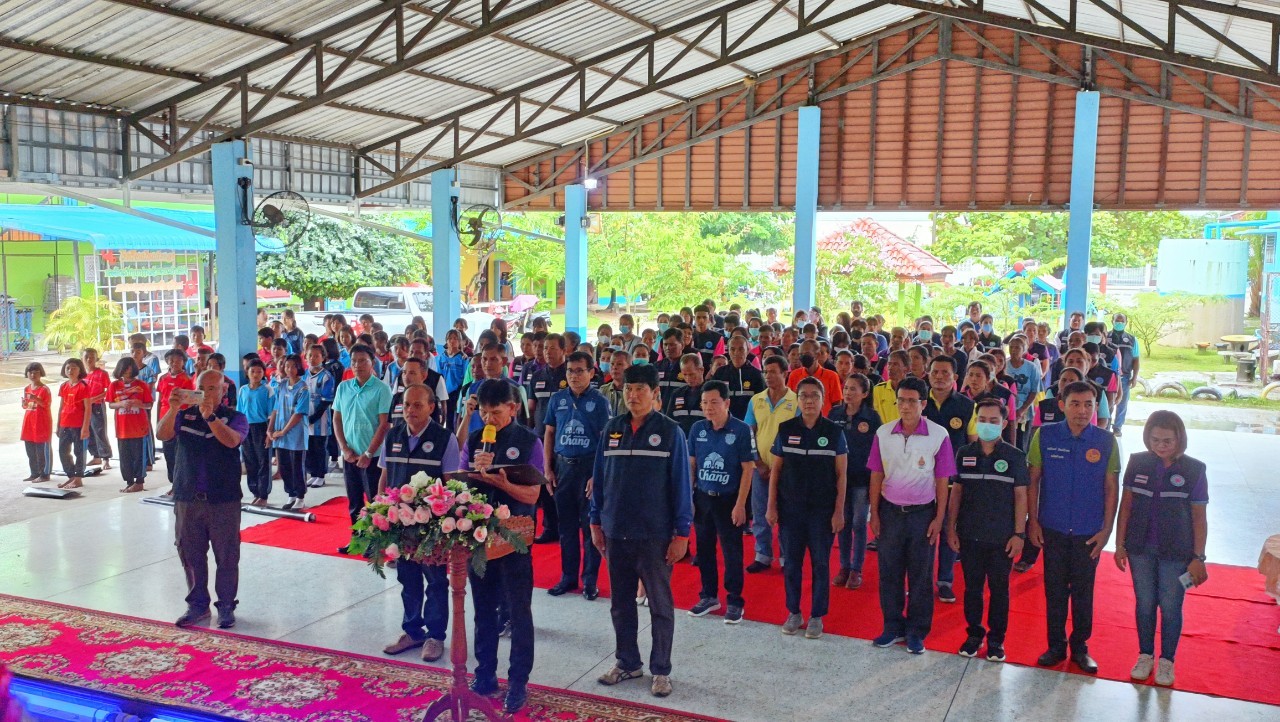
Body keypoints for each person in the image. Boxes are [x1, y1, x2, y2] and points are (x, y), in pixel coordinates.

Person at [591, 364, 692, 699]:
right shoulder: (612, 429)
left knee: (660, 605)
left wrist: (682, 533)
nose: (632, 395)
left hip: (655, 535)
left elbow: (681, 485)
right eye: (628, 389)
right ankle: (628, 662)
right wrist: (595, 521)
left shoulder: (670, 431)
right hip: (615, 530)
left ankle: (661, 669)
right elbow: (600, 478)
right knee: (620, 603)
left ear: (655, 393)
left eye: (640, 390)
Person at [1027, 381, 1120, 674]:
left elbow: (1111, 488)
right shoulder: (1044, 435)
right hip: (1052, 528)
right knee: (1054, 591)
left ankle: (1080, 647)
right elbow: (1032, 481)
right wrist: (1033, 521)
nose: (1082, 411)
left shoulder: (1106, 441)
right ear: (1062, 405)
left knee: (1083, 591)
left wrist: (1107, 531)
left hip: (1089, 533)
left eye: (1088, 404)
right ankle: (1055, 646)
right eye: (1075, 404)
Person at [461, 379, 542, 714]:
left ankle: (518, 681)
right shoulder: (474, 439)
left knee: (519, 611)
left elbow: (533, 495)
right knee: (483, 609)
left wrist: (503, 484)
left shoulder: (529, 441)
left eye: (495, 412)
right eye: (483, 412)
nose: (488, 419)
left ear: (513, 407)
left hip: (515, 537)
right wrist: (473, 473)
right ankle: (485, 674)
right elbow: (460, 484)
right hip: (480, 536)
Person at [1114, 410, 1208, 687]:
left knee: (1170, 605)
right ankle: (1145, 655)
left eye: (1168, 441)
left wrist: (1198, 557)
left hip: (1176, 553)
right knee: (1144, 603)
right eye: (1155, 440)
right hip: (1140, 549)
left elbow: (1199, 518)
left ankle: (1167, 660)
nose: (1161, 446)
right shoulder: (1137, 463)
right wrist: (1119, 544)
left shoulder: (1194, 469)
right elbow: (1126, 506)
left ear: (1180, 439)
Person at [867, 376, 956, 655]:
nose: (905, 406)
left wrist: (939, 518)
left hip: (922, 514)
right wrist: (874, 513)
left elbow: (942, 479)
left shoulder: (939, 435)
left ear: (923, 404)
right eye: (901, 400)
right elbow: (876, 474)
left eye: (911, 401)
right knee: (889, 572)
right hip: (890, 512)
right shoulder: (883, 433)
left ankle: (917, 631)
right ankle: (892, 627)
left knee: (920, 574)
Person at [157, 369, 249, 630]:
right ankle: (197, 605)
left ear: (223, 390)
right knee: (190, 553)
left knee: (227, 555)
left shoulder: (236, 418)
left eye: (212, 389)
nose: (206, 393)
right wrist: (173, 409)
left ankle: (226, 606)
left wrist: (211, 418)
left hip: (223, 499)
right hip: (187, 497)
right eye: (201, 388)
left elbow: (231, 441)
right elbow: (162, 434)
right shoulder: (185, 415)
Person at [379, 383, 460, 664]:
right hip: (400, 522)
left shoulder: (445, 438)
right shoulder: (393, 435)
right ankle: (412, 631)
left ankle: (435, 636)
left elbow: (451, 484)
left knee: (435, 580)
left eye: (417, 405)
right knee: (407, 578)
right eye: (406, 404)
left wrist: (446, 521)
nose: (410, 410)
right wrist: (380, 508)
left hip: (431, 525)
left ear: (431, 407)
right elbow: (386, 475)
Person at [946, 398, 1029, 662]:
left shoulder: (1015, 456)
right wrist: (951, 528)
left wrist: (1019, 534)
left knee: (999, 589)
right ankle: (974, 634)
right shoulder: (964, 453)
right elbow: (957, 492)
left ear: (1003, 424)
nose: (987, 425)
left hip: (1002, 537)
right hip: (969, 534)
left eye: (993, 421)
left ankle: (996, 640)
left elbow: (1021, 496)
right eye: (982, 420)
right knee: (972, 589)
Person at [767, 376, 847, 638]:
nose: (809, 401)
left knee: (821, 564)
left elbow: (841, 475)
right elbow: (776, 472)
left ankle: (816, 615)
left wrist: (839, 511)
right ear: (797, 399)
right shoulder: (786, 428)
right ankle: (794, 611)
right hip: (791, 510)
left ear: (823, 400)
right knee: (791, 563)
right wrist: (771, 506)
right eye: (804, 396)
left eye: (815, 396)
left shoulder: (834, 432)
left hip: (822, 512)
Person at [686, 380, 755, 623]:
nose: (708, 407)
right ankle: (708, 596)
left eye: (714, 402)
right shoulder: (697, 429)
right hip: (703, 498)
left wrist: (741, 504)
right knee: (704, 550)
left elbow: (748, 469)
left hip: (729, 499)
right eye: (704, 403)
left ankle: (735, 601)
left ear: (726, 403)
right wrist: (689, 497)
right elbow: (691, 465)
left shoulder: (741, 430)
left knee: (732, 552)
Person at [544, 352, 610, 600]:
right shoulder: (558, 399)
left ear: (591, 373)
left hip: (588, 468)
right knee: (566, 527)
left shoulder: (599, 402)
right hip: (563, 469)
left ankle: (589, 581)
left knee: (589, 526)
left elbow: (605, 441)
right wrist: (548, 468)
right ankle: (568, 577)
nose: (574, 376)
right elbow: (549, 433)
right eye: (570, 371)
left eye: (580, 370)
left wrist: (597, 475)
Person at [923, 355, 976, 604]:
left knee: (948, 529)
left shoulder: (967, 406)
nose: (939, 376)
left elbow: (973, 443)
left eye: (945, 372)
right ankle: (921, 580)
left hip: (954, 480)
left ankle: (945, 580)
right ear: (928, 374)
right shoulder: (920, 402)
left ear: (955, 377)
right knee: (923, 532)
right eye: (935, 371)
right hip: (921, 478)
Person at [332, 344, 393, 555]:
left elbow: (384, 424)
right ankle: (357, 541)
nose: (358, 365)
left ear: (372, 362)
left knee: (376, 501)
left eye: (362, 361)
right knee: (355, 501)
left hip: (373, 456)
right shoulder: (343, 388)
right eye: (354, 361)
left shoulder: (382, 389)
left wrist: (368, 453)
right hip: (350, 455)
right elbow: (337, 419)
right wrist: (344, 448)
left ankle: (377, 543)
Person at [744, 355, 799, 574]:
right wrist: (757, 461)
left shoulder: (796, 401)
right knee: (759, 512)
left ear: (785, 373)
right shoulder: (756, 400)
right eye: (765, 372)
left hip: (787, 470)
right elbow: (749, 433)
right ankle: (763, 555)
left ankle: (786, 557)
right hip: (761, 468)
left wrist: (783, 465)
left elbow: (798, 435)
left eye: (773, 372)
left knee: (787, 514)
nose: (768, 376)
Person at [829, 373, 880, 590]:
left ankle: (856, 569)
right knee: (843, 522)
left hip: (861, 479)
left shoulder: (872, 417)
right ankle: (844, 566)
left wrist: (874, 481)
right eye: (846, 388)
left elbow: (877, 451)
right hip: (839, 479)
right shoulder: (834, 413)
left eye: (853, 389)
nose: (848, 393)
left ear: (865, 393)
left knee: (859, 523)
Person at [528, 333, 568, 543]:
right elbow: (531, 408)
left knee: (563, 484)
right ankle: (550, 527)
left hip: (565, 439)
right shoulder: (537, 376)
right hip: (541, 438)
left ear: (563, 350)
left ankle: (567, 527)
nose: (548, 352)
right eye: (545, 348)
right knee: (545, 483)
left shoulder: (570, 374)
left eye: (552, 348)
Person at [268, 354, 310, 511]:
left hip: (295, 434)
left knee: (297, 466)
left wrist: (283, 431)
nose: (290, 369)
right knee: (284, 466)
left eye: (293, 366)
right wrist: (270, 429)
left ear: (299, 367)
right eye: (287, 366)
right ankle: (291, 494)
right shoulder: (282, 385)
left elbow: (298, 414)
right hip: (280, 434)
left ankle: (300, 497)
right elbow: (276, 408)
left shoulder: (303, 388)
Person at [107, 357, 153, 493]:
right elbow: (110, 404)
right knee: (124, 457)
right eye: (125, 368)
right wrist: (121, 404)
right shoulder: (114, 385)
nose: (127, 371)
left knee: (139, 456)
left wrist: (140, 404)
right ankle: (129, 482)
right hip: (122, 428)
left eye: (130, 367)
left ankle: (139, 482)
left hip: (139, 428)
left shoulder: (142, 385)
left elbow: (149, 404)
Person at [237, 359, 274, 506]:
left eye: (259, 371)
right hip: (246, 428)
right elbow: (240, 412)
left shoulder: (268, 390)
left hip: (262, 427)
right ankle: (255, 491)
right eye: (252, 371)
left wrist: (269, 432)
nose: (256, 374)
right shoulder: (243, 390)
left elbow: (272, 413)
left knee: (263, 461)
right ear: (247, 372)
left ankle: (263, 494)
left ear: (263, 373)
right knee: (250, 460)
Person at [156, 349, 195, 486]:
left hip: (180, 419)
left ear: (184, 362)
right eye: (171, 360)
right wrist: (158, 420)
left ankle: (180, 483)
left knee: (180, 452)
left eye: (178, 360)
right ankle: (173, 483)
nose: (174, 363)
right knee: (168, 452)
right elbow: (160, 400)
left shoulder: (188, 379)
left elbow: (191, 402)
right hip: (165, 418)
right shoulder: (162, 378)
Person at [303, 345, 336, 488]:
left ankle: (321, 475)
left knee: (320, 448)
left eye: (316, 356)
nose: (313, 358)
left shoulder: (326, 376)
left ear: (323, 358)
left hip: (320, 420)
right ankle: (313, 474)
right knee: (309, 448)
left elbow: (325, 401)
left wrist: (313, 418)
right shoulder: (304, 375)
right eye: (310, 355)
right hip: (305, 419)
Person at [56, 358, 92, 489]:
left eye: (74, 368)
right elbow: (61, 407)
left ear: (80, 370)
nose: (70, 370)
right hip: (65, 424)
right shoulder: (64, 386)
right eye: (68, 368)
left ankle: (78, 478)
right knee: (63, 451)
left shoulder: (83, 386)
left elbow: (88, 408)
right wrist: (58, 425)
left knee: (79, 452)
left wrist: (85, 427)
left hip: (78, 425)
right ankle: (71, 475)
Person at [712, 336, 765, 420]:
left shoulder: (756, 374)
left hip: (749, 421)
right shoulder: (720, 373)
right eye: (732, 349)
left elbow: (762, 402)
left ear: (748, 351)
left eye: (741, 349)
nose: (736, 353)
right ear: (728, 351)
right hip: (724, 421)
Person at [1108, 313, 1140, 437]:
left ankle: (1117, 427)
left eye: (1122, 321)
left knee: (1122, 403)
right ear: (1112, 321)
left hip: (1125, 376)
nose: (1119, 323)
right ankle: (1106, 424)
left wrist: (1134, 377)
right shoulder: (1106, 336)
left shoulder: (1132, 340)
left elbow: (1136, 359)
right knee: (1108, 401)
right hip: (1109, 376)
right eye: (1117, 320)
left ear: (1126, 323)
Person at [21, 362, 53, 482]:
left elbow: (46, 404)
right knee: (30, 451)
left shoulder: (44, 389)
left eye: (36, 372)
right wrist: (24, 404)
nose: (33, 375)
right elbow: (26, 406)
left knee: (42, 450)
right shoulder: (27, 388)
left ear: (41, 374)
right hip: (29, 423)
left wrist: (36, 399)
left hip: (42, 423)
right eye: (30, 372)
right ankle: (34, 473)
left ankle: (45, 474)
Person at [82, 348, 113, 471]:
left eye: (92, 357)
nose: (89, 359)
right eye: (86, 357)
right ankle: (96, 456)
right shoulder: (81, 375)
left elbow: (109, 390)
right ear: (82, 359)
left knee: (99, 431)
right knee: (87, 431)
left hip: (97, 406)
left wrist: (94, 399)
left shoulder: (102, 374)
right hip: (84, 407)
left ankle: (105, 458)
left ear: (96, 359)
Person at [664, 353, 707, 437]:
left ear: (701, 370)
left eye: (691, 374)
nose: (688, 378)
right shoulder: (676, 394)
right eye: (684, 374)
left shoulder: (711, 393)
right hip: (681, 439)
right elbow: (669, 421)